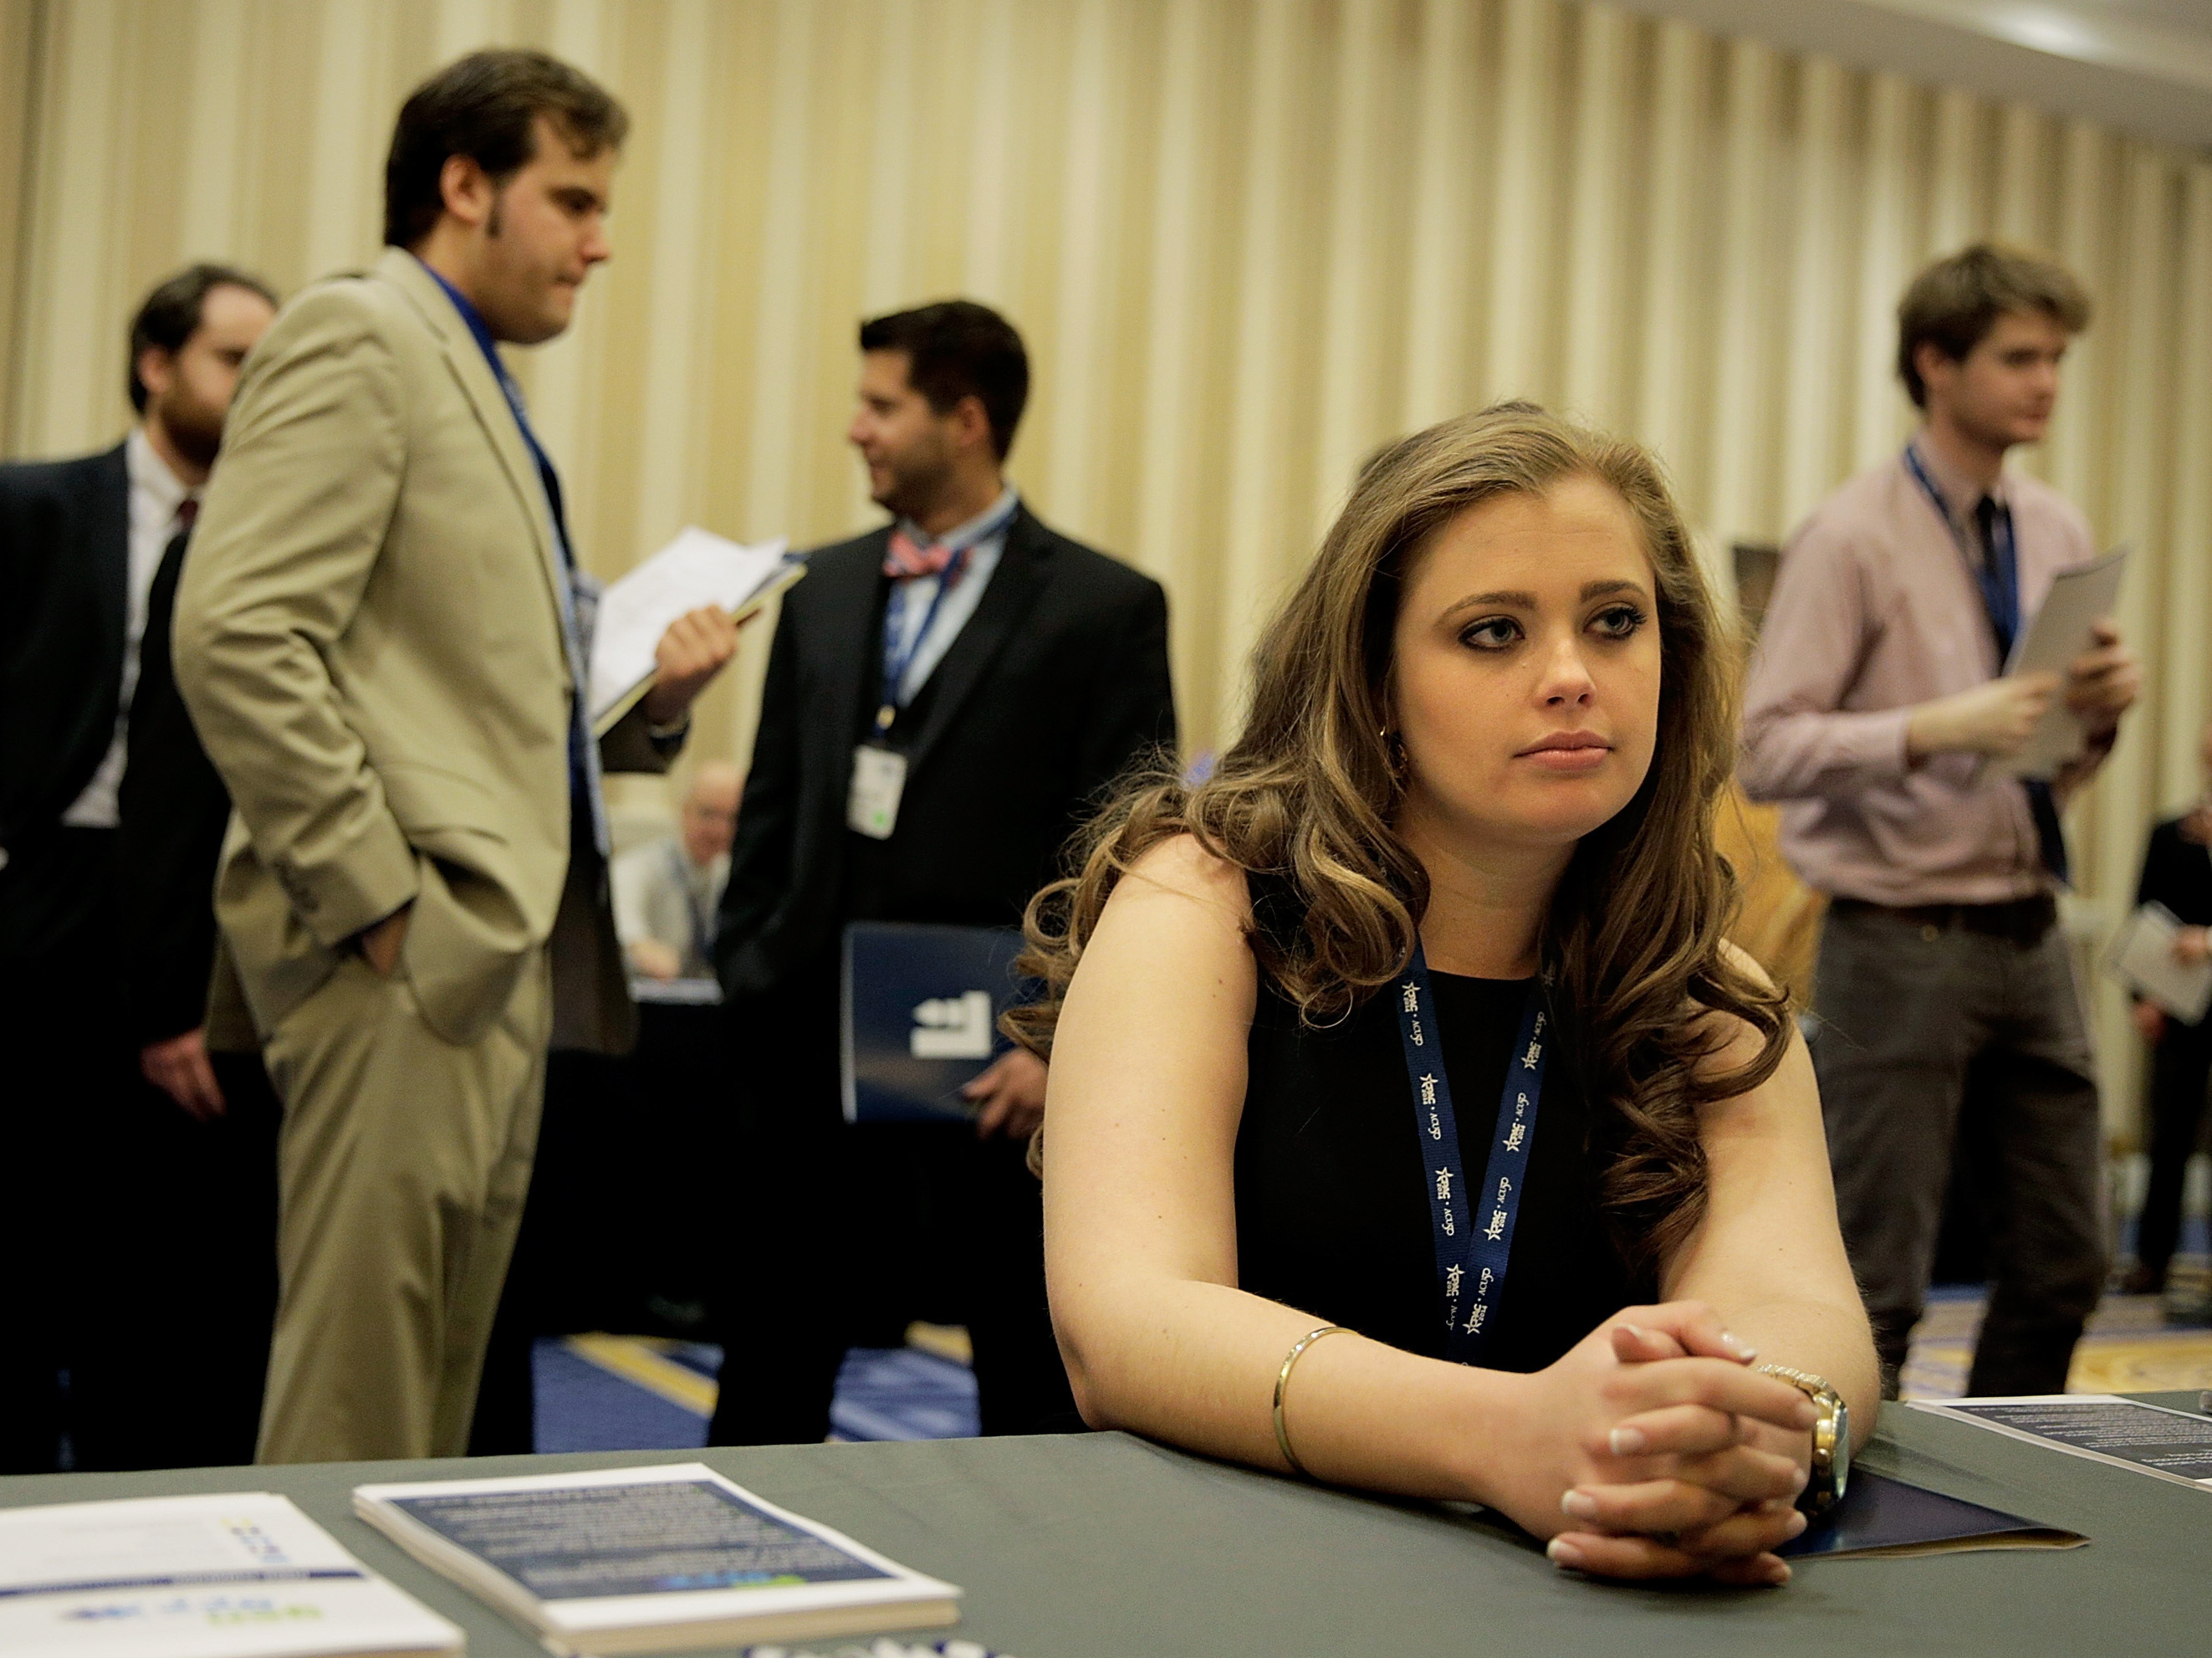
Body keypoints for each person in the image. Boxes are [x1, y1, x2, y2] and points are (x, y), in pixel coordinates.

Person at [1016, 403, 1876, 1588]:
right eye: (1492, 633)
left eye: (1614, 622)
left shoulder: (1700, 984)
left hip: (1570, 1581)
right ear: (1375, 683)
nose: (1572, 675)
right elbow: (1123, 1326)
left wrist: (1747, 1432)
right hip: (1220, 1577)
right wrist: (1507, 1435)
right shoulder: (1205, 903)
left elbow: (1796, 1301)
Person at [175, 49, 739, 1463]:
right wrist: (375, 899)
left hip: (481, 958)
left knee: (423, 1411)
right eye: (573, 200)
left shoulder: (465, 369)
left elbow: (467, 697)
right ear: (464, 186)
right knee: (356, 1402)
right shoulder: (362, 335)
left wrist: (649, 711)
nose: (600, 242)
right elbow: (236, 632)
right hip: (405, 953)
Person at [710, 299, 1176, 1446]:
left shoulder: (1101, 607)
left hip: (992, 1070)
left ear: (965, 420)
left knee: (1027, 1383)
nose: (855, 429)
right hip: (810, 1053)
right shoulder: (819, 587)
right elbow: (773, 799)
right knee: (768, 1374)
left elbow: (1128, 848)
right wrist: (749, 962)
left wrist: (1057, 1036)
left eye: (881, 405)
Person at [1740, 243, 2141, 1398]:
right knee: (1875, 1280)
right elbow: (1764, 750)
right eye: (2019, 357)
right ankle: (1853, 1510)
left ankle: (2005, 1474)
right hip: (1895, 937)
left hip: (2027, 927)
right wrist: (1933, 725)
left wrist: (2098, 717)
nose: (2047, 382)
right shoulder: (1851, 535)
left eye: (2056, 358)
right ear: (1935, 363)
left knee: (2068, 1259)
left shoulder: (2055, 528)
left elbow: (2039, 755)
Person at [0, 264, 277, 1472]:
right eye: (232, 359)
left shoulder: (272, 533)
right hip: (41, 889)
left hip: (201, 909)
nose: (254, 385)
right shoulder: (35, 507)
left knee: (163, 1248)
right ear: (158, 364)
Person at [2123, 720, 2212, 1297]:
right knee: (2167, 1136)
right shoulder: (2170, 831)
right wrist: (2142, 997)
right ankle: (2150, 1260)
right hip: (2177, 1007)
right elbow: (2143, 917)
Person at [615, 760, 740, 980]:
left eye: (731, 819)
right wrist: (643, 951)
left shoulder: (730, 874)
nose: (719, 831)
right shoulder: (637, 869)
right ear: (685, 811)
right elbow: (625, 931)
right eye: (708, 814)